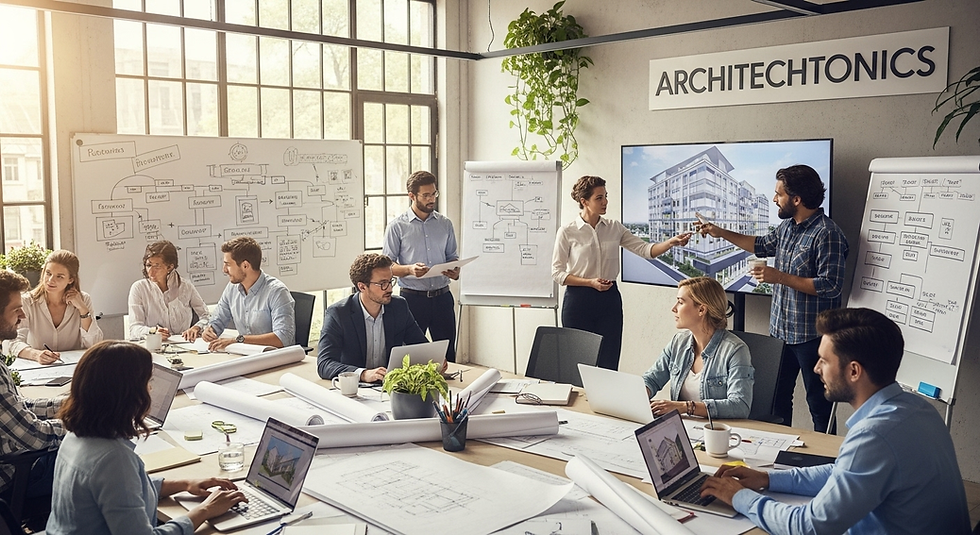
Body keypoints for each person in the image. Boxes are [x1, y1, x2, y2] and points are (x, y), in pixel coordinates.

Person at [701, 308, 971, 535]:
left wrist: (738, 497)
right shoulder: (917, 409)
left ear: (854, 371)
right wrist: (767, 479)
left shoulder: (875, 435)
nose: (816, 368)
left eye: (823, 360)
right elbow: (844, 471)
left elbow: (810, 527)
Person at [696, 164, 847, 433]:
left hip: (812, 338)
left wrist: (780, 277)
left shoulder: (828, 233)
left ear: (797, 199)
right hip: (780, 333)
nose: (775, 199)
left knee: (819, 406)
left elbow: (831, 286)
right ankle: (779, 459)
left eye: (779, 194)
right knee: (776, 404)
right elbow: (759, 245)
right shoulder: (787, 227)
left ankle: (827, 465)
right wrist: (719, 232)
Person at [46, 341, 246, 534]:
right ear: (128, 394)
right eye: (148, 382)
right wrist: (205, 510)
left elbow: (126, 489)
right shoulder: (114, 459)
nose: (150, 389)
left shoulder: (75, 435)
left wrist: (184, 484)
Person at [552, 175, 691, 370]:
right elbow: (557, 273)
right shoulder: (567, 231)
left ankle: (605, 401)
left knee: (609, 363)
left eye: (605, 196)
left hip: (609, 301)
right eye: (599, 198)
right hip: (578, 302)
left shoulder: (614, 228)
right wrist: (590, 282)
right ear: (584, 201)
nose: (605, 202)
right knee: (579, 365)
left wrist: (671, 242)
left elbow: (645, 250)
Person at [643, 277, 754, 419]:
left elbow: (739, 406)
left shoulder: (735, 350)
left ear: (701, 309)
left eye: (681, 302)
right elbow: (652, 379)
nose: (674, 308)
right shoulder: (678, 342)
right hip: (683, 428)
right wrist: (640, 395)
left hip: (716, 433)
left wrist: (685, 407)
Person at [0, 270, 64, 501]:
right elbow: (33, 435)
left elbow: (17, 408)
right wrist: (82, 421)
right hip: (12, 478)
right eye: (16, 309)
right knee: (95, 458)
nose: (23, 315)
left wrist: (68, 404)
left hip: (14, 458)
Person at [383, 170, 460, 362]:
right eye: (425, 195)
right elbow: (386, 266)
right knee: (412, 356)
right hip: (412, 300)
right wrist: (409, 269)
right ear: (412, 196)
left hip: (443, 298)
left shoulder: (445, 224)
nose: (431, 199)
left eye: (433, 193)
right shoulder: (397, 227)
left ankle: (452, 392)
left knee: (447, 355)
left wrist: (455, 271)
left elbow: (452, 257)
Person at [317, 253, 428, 381]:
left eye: (390, 281)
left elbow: (422, 347)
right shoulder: (338, 313)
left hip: (390, 386)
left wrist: (434, 361)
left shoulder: (399, 306)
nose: (390, 288)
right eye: (382, 283)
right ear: (362, 286)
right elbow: (324, 364)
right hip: (354, 389)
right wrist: (363, 374)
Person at [185, 237, 295, 351]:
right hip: (245, 356)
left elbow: (283, 338)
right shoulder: (232, 288)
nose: (224, 270)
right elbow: (217, 321)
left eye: (228, 264)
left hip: (275, 359)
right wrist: (210, 330)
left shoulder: (277, 292)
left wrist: (239, 339)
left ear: (245, 265)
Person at [3, 250, 103, 365]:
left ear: (71, 279)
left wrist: (83, 309)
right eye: (48, 273)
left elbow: (94, 344)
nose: (50, 280)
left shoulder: (84, 300)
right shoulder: (27, 301)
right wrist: (36, 355)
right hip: (38, 368)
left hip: (74, 368)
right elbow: (10, 342)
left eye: (59, 276)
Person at [127, 240, 209, 341]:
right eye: (148, 265)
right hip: (155, 347)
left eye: (157, 266)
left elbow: (206, 316)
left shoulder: (186, 287)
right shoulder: (139, 288)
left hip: (185, 346)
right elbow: (134, 328)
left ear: (170, 267)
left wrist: (197, 328)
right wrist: (152, 332)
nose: (151, 271)